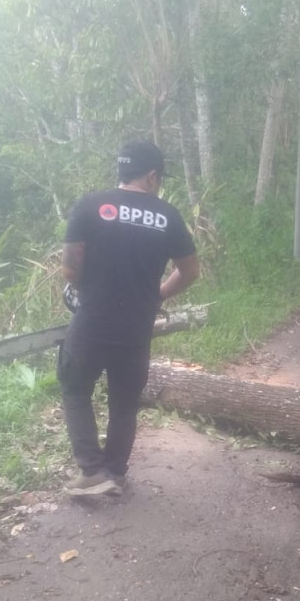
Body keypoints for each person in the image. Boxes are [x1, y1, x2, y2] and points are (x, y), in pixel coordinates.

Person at [58, 139, 199, 496]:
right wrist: (156, 295)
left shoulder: (90, 205)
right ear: (152, 176)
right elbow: (190, 271)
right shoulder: (167, 215)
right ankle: (115, 473)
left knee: (75, 389)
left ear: (122, 170)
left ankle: (91, 471)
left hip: (92, 319)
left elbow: (70, 270)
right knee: (124, 401)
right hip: (136, 325)